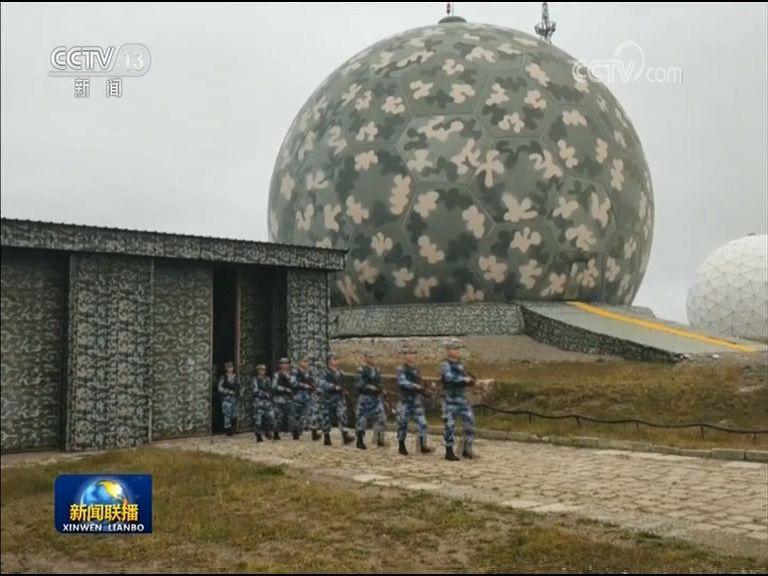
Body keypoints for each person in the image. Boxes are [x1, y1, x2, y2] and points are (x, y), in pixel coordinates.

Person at [440, 339, 476, 461]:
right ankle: (448, 451)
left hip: (462, 400)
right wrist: (463, 379)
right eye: (454, 349)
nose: (456, 351)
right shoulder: (445, 364)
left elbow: (469, 376)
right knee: (450, 425)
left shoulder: (461, 365)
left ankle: (467, 448)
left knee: (470, 423)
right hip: (450, 399)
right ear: (449, 351)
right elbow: (449, 378)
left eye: (457, 349)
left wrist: (470, 380)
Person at [396, 347, 434, 456]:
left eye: (413, 353)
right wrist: (415, 386)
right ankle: (401, 445)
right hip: (405, 401)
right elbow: (402, 382)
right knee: (403, 424)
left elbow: (420, 383)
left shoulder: (416, 369)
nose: (411, 356)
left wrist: (425, 391)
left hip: (416, 401)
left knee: (423, 423)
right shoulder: (401, 369)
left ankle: (423, 446)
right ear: (405, 355)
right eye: (409, 353)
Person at [320, 352, 354, 446]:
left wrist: (344, 390)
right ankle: (326, 437)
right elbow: (322, 384)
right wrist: (333, 387)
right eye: (334, 359)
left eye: (336, 359)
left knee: (342, 415)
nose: (336, 361)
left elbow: (343, 383)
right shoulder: (325, 373)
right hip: (328, 398)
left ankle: (345, 435)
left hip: (339, 398)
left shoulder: (340, 372)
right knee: (326, 417)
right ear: (328, 361)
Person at [354, 351, 386, 450]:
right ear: (365, 358)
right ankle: (359, 440)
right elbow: (359, 383)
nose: (372, 359)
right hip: (366, 398)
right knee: (362, 419)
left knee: (381, 418)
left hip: (376, 398)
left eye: (373, 357)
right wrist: (369, 387)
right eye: (370, 357)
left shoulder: (377, 370)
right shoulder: (362, 370)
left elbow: (380, 382)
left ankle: (379, 438)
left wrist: (381, 389)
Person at [292, 356, 320, 440]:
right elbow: (293, 383)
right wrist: (304, 385)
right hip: (298, 395)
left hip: (308, 395)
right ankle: (296, 431)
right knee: (298, 415)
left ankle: (314, 433)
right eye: (304, 361)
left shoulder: (309, 372)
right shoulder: (295, 372)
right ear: (299, 363)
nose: (306, 363)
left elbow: (313, 382)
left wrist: (315, 387)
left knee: (312, 413)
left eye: (307, 361)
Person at [271, 357, 295, 440]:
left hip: (289, 399)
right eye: (282, 364)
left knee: (292, 416)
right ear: (280, 365)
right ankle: (276, 433)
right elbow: (274, 386)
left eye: (286, 363)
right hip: (279, 399)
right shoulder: (277, 374)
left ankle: (294, 433)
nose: (284, 365)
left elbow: (294, 384)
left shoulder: (292, 374)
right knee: (278, 417)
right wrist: (284, 389)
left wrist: (287, 377)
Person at [251, 364, 274, 442]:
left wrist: (270, 394)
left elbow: (271, 388)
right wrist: (264, 394)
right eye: (261, 370)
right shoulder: (255, 379)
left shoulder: (267, 379)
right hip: (258, 401)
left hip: (267, 402)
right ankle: (258, 435)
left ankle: (267, 431)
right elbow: (255, 390)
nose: (262, 371)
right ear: (258, 371)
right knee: (258, 420)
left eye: (264, 369)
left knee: (270, 416)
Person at [217, 361, 240, 436]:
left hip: (234, 398)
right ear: (226, 369)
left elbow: (239, 386)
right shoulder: (223, 377)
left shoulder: (236, 377)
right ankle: (228, 429)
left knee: (234, 415)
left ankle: (232, 428)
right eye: (229, 367)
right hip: (226, 398)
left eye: (231, 367)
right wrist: (229, 392)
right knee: (227, 414)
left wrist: (239, 393)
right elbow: (220, 388)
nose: (231, 369)